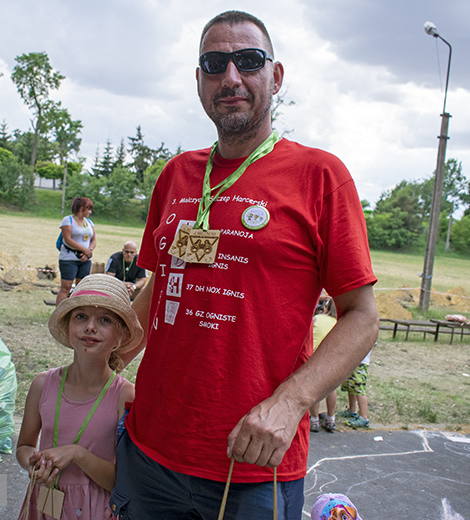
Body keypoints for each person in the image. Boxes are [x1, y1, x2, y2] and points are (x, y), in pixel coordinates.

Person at [110, 11, 378, 519]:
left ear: (274, 76)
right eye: (215, 64)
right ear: (199, 81)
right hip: (148, 451)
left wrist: (291, 402)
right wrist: (108, 361)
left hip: (253, 464)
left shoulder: (321, 176)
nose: (231, 77)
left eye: (248, 61)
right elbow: (161, 286)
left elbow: (362, 317)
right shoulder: (176, 175)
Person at [15, 275, 141, 520]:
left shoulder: (124, 395)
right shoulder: (43, 384)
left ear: (122, 335)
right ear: (67, 325)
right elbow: (24, 446)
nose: (90, 327)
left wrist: (77, 454)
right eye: (81, 316)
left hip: (96, 510)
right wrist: (34, 464)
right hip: (45, 503)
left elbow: (122, 480)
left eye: (104, 320)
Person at [56, 197, 96, 306]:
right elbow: (68, 239)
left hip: (85, 260)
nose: (90, 212)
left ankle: (77, 313)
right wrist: (84, 250)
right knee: (66, 287)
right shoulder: (67, 220)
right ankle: (58, 314)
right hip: (69, 259)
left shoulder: (89, 222)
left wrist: (89, 252)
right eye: (88, 209)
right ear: (81, 208)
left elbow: (93, 239)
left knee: (81, 288)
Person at [309, 298, 338, 433]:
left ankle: (314, 420)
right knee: (331, 389)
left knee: (314, 388)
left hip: (315, 356)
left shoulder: (318, 318)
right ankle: (330, 419)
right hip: (331, 358)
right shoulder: (339, 323)